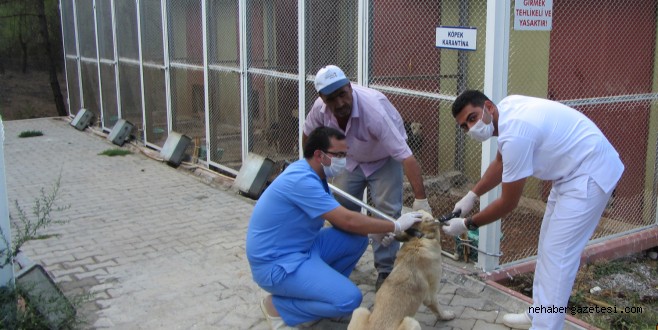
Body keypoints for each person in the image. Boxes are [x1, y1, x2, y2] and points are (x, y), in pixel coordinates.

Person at [444, 90, 624, 330]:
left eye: (472, 117)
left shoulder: (516, 134)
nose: (470, 127)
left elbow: (508, 203)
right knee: (547, 249)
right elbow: (500, 162)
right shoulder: (505, 111)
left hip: (589, 174)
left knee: (559, 256)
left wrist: (467, 224)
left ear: (488, 107)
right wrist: (472, 195)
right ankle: (539, 313)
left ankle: (546, 325)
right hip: (569, 173)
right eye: (465, 126)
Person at [246, 126, 423, 329]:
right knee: (349, 300)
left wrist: (374, 232)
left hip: (303, 248)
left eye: (345, 154)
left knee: (357, 239)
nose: (343, 160)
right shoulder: (301, 180)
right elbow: (346, 219)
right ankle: (276, 307)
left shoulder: (314, 176)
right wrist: (396, 224)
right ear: (319, 155)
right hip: (277, 263)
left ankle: (318, 296)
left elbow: (339, 218)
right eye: (338, 155)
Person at [302, 65, 432, 290]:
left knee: (386, 211)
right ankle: (345, 254)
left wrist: (421, 200)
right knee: (340, 208)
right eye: (332, 98)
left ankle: (385, 269)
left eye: (343, 93)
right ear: (322, 98)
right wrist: (310, 171)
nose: (340, 102)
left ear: (350, 86)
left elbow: (407, 158)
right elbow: (308, 135)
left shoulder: (374, 110)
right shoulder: (319, 110)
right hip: (350, 160)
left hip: (384, 158)